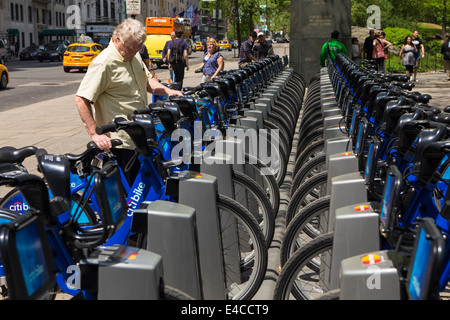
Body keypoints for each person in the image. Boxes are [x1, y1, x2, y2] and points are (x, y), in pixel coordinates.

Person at [75, 18, 183, 184]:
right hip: (121, 143)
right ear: (117, 38)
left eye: (137, 49)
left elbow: (147, 81)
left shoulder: (134, 56)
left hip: (140, 135)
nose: (134, 52)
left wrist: (168, 91)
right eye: (131, 48)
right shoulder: (104, 63)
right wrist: (95, 133)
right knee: (129, 195)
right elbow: (81, 99)